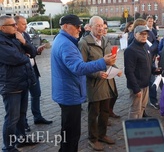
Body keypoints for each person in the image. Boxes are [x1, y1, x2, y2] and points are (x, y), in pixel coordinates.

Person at [51, 14, 116, 152]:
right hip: (70, 92)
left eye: (80, 26)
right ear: (66, 26)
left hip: (67, 91)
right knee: (72, 133)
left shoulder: (63, 40)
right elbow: (79, 67)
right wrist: (102, 62)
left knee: (68, 130)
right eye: (77, 26)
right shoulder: (67, 44)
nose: (79, 29)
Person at [78, 16, 118, 151]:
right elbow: (81, 66)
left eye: (102, 26)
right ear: (89, 27)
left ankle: (102, 134)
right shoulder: (84, 43)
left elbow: (110, 60)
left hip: (107, 82)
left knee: (105, 111)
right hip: (94, 84)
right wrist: (97, 73)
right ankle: (92, 139)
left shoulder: (106, 40)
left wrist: (116, 69)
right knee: (93, 113)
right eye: (97, 26)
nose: (100, 28)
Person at [0, 15, 37, 151]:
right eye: (13, 25)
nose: (16, 27)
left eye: (16, 25)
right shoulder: (1, 41)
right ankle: (8, 147)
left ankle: (21, 139)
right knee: (12, 118)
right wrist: (25, 56)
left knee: (22, 115)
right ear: (2, 28)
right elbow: (14, 58)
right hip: (11, 85)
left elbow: (33, 52)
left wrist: (24, 43)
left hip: (23, 82)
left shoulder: (17, 37)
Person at [14, 15, 53, 133]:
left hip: (32, 70)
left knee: (36, 93)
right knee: (23, 100)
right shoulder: (12, 38)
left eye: (26, 23)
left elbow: (31, 50)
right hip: (21, 73)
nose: (26, 26)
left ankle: (37, 116)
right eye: (23, 24)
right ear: (16, 24)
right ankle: (23, 123)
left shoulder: (25, 35)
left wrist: (36, 50)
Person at [124, 25, 161, 119]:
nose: (144, 36)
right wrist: (136, 89)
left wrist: (154, 70)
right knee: (135, 110)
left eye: (146, 34)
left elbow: (148, 64)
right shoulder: (130, 50)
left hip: (146, 84)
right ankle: (132, 131)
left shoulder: (145, 47)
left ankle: (138, 128)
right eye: (142, 34)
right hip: (137, 86)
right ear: (135, 35)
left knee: (142, 108)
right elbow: (129, 71)